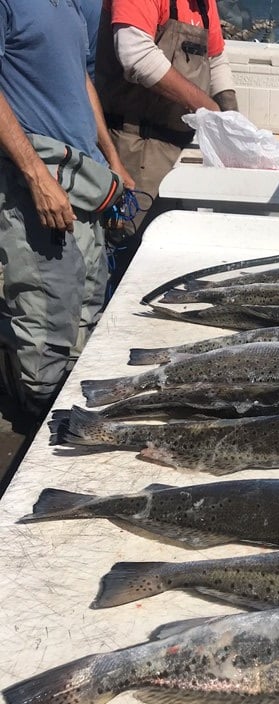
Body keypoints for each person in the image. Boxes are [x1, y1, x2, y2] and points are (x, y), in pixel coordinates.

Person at [0, 0, 134, 416]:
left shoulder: (73, 4)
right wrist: (37, 177)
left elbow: (81, 80)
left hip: (84, 176)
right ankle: (34, 429)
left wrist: (111, 158)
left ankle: (71, 415)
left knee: (87, 301)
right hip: (34, 179)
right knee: (46, 312)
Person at [95, 0, 238, 238]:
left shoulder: (203, 3)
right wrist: (209, 108)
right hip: (137, 149)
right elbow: (136, 55)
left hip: (181, 148)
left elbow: (216, 59)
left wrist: (232, 119)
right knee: (133, 247)